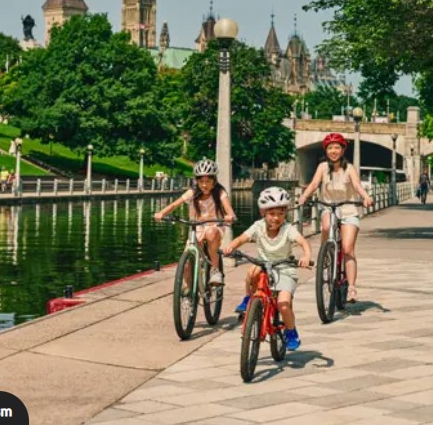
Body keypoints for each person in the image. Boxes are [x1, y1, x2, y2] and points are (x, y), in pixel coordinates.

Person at [224, 187, 312, 351]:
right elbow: (242, 238)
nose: (276, 218)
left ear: (285, 213)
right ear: (263, 213)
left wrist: (306, 256)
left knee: (283, 304)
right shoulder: (258, 227)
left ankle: (291, 332)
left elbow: (303, 242)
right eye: (272, 214)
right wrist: (230, 247)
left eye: (280, 213)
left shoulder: (288, 229)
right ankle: (248, 298)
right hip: (263, 266)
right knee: (252, 271)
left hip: (284, 269)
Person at [297, 132, 373, 304]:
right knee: (325, 227)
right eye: (330, 148)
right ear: (326, 150)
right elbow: (314, 184)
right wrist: (304, 196)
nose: (333, 151)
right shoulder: (322, 167)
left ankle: (352, 287)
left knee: (347, 249)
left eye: (337, 147)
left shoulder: (349, 168)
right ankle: (326, 253)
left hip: (348, 209)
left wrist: (366, 197)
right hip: (328, 207)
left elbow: (357, 186)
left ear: (342, 150)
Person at [153, 158, 236, 286]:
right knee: (186, 263)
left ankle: (215, 270)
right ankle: (189, 293)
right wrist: (162, 213)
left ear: (214, 181)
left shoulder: (220, 192)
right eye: (201, 181)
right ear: (196, 181)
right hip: (197, 228)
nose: (204, 185)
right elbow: (175, 204)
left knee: (211, 232)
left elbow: (229, 210)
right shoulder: (192, 193)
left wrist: (229, 216)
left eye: (208, 181)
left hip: (214, 226)